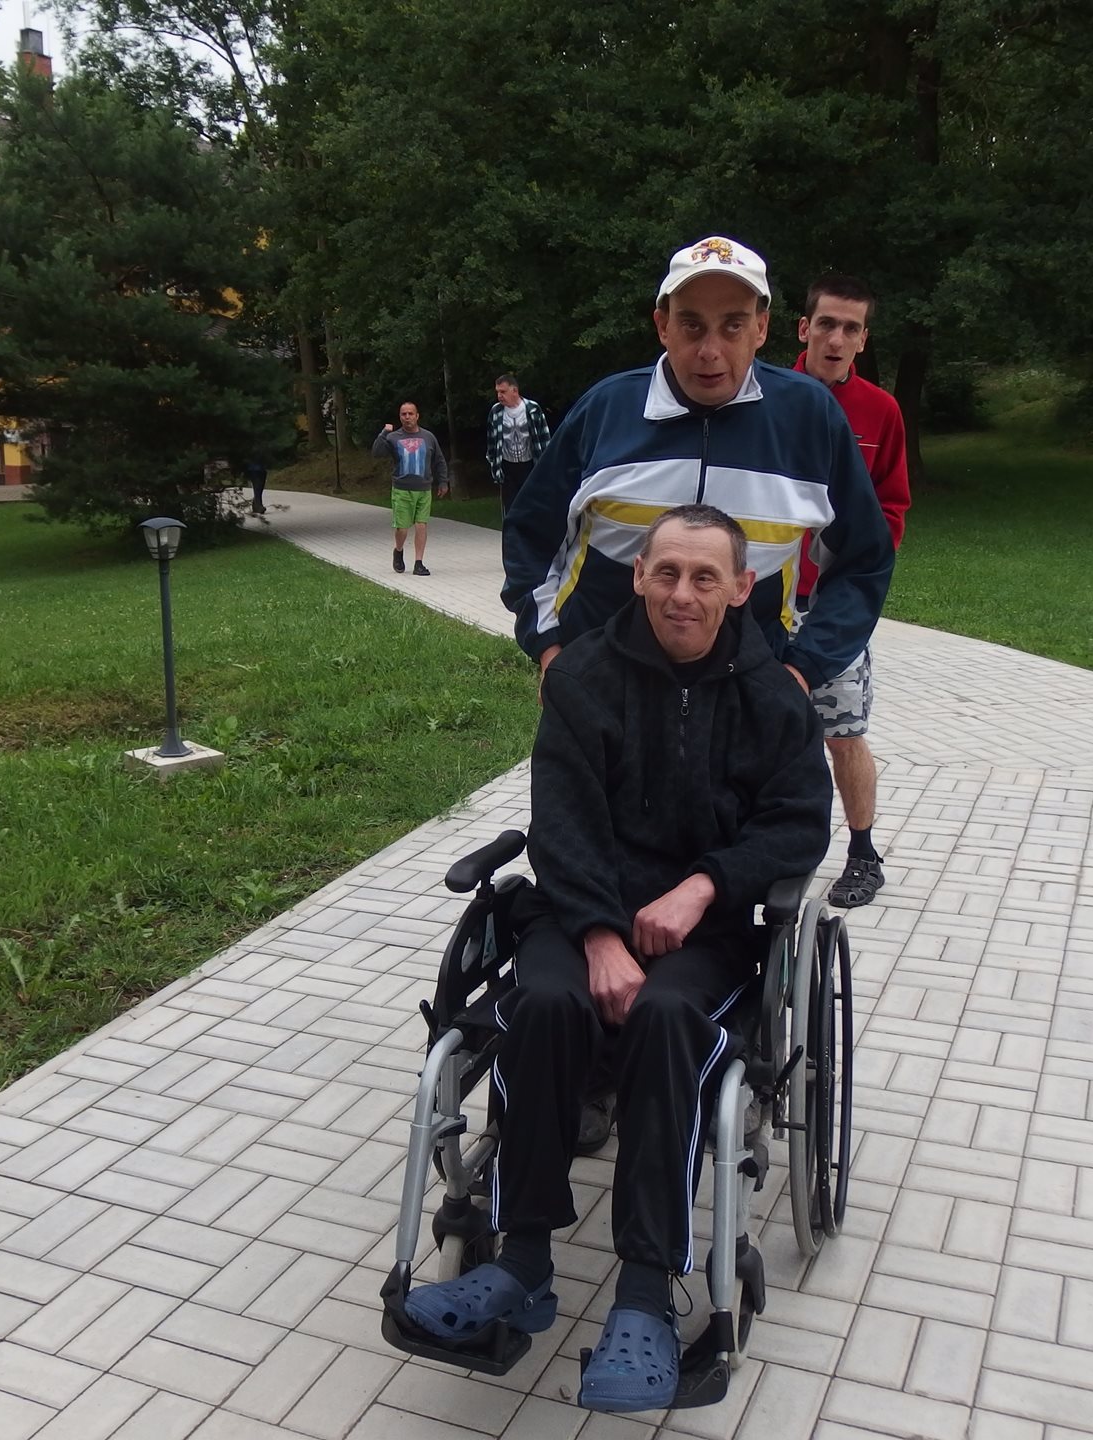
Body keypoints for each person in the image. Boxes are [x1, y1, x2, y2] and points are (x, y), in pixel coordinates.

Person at [403, 505, 830, 1414]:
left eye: (705, 577)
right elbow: (559, 824)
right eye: (665, 572)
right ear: (637, 575)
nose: (682, 593)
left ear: (741, 588)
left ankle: (644, 1289)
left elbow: (798, 825)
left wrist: (705, 887)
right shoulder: (582, 677)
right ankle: (522, 1259)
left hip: (704, 934)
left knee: (669, 1017)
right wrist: (600, 935)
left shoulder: (775, 699)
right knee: (543, 1004)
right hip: (577, 911)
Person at [502, 234, 894, 706]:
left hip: (747, 700)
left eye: (733, 326)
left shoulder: (809, 418)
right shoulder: (606, 409)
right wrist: (550, 648)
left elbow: (863, 558)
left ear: (761, 328)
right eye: (691, 325)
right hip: (599, 690)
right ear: (662, 325)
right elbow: (532, 533)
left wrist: (802, 669)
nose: (710, 350)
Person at [792, 273, 911, 906]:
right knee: (747, 728)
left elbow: (892, 504)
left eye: (851, 328)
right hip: (756, 598)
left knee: (843, 731)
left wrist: (855, 571)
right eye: (826, 324)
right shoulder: (763, 395)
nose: (836, 339)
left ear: (864, 339)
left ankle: (863, 854)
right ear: (803, 329)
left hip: (831, 607)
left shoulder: (880, 411)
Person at [372, 401, 448, 575]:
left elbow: (439, 460)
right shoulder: (394, 437)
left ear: (417, 416)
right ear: (400, 417)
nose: (407, 417)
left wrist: (443, 481)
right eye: (403, 414)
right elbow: (376, 452)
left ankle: (418, 563)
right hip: (402, 489)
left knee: (421, 525)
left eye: (410, 414)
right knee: (402, 528)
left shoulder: (428, 437)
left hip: (424, 488)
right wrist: (384, 432)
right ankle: (398, 550)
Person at [486, 374, 552, 515]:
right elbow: (491, 442)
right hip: (507, 467)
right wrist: (494, 465)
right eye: (497, 392)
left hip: (529, 465)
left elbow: (545, 439)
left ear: (514, 390)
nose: (499, 396)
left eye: (503, 391)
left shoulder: (532, 409)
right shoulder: (496, 412)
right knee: (510, 509)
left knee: (531, 506)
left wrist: (546, 466)